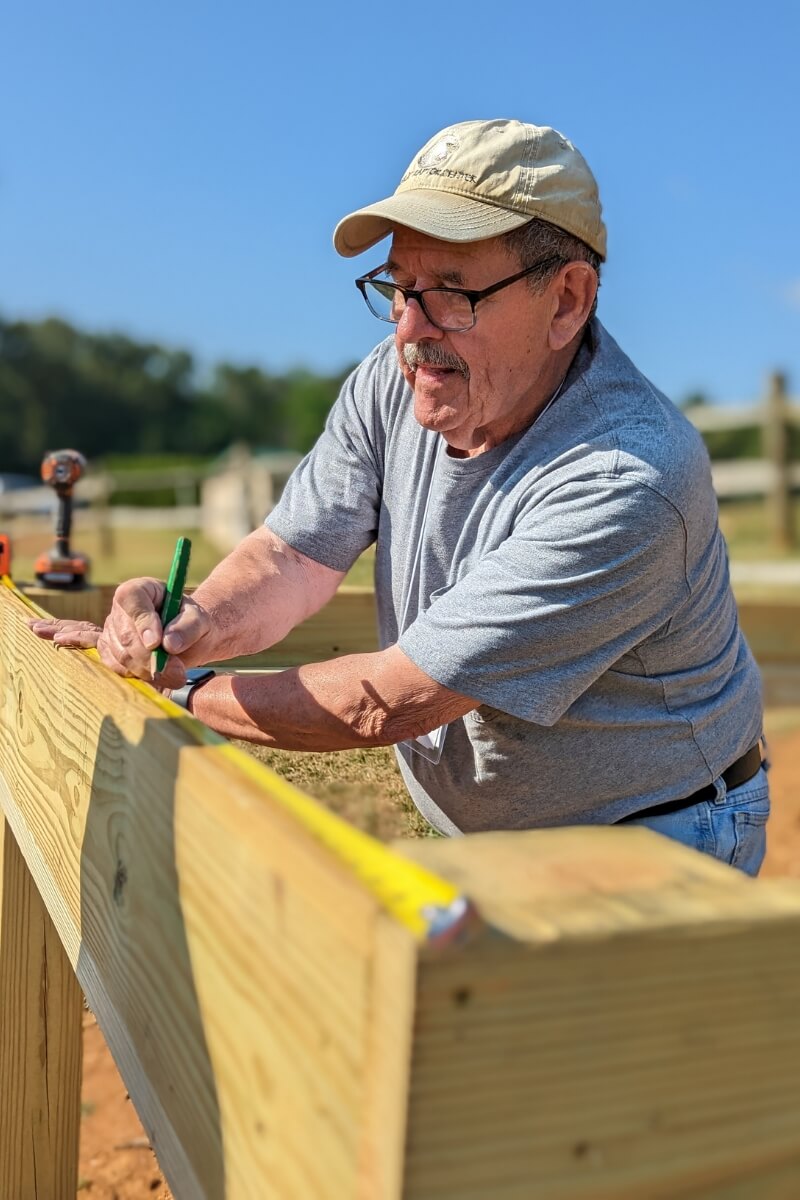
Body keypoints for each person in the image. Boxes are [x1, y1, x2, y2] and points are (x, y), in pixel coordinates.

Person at [32, 118, 768, 874]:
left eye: (453, 292)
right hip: (496, 837)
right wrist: (188, 626)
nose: (410, 329)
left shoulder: (624, 478)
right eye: (399, 287)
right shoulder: (397, 382)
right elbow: (292, 554)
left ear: (567, 302)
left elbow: (388, 700)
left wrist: (187, 692)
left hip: (653, 840)